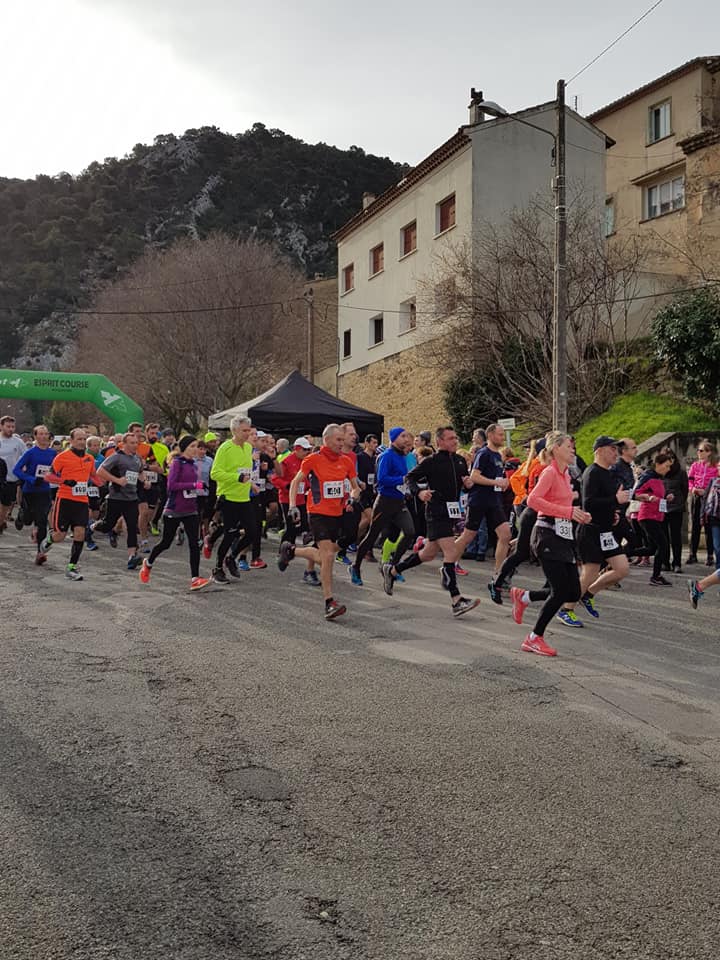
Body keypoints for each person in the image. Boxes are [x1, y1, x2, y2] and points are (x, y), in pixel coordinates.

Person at [382, 426, 480, 618]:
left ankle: (393, 569)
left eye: (455, 438)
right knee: (451, 551)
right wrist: (419, 492)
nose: (454, 441)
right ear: (440, 442)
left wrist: (468, 485)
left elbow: (462, 486)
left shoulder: (460, 461)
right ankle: (456, 600)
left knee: (427, 554)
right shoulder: (431, 461)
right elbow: (410, 478)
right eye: (450, 438)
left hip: (452, 512)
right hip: (436, 511)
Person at [510, 431, 592, 656]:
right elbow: (533, 500)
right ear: (556, 449)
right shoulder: (549, 472)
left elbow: (562, 505)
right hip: (546, 534)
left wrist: (578, 515)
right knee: (559, 591)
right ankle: (534, 638)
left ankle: (524, 597)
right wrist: (567, 511)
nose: (573, 449)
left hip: (563, 536)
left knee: (573, 591)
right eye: (568, 446)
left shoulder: (565, 475)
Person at [278, 423, 361, 620]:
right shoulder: (313, 459)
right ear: (327, 440)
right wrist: (292, 506)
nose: (342, 444)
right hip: (317, 514)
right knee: (328, 556)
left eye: (343, 439)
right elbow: (297, 482)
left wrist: (352, 497)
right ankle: (329, 602)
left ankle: (291, 550)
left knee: (328, 554)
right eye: (339, 440)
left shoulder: (346, 461)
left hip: (337, 515)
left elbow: (356, 487)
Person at [139, 436, 209, 590]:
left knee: (194, 543)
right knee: (166, 543)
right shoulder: (178, 463)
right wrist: (194, 484)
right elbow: (171, 485)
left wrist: (200, 487)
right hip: (174, 508)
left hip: (191, 509)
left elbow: (193, 486)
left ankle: (195, 578)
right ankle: (148, 562)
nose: (196, 449)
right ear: (184, 448)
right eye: (193, 446)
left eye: (197, 446)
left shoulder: (194, 464)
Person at [574, 436, 631, 621]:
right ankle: (566, 609)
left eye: (617, 449)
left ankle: (589, 594)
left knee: (622, 569)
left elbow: (603, 502)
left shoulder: (607, 473)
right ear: (598, 451)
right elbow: (588, 503)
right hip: (590, 531)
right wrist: (615, 500)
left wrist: (612, 512)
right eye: (612, 449)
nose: (616, 453)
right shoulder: (592, 472)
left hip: (605, 531)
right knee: (589, 572)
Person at [351, 427, 415, 586]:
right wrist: (403, 479)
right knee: (372, 536)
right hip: (385, 502)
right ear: (393, 439)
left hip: (399, 502)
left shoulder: (403, 456)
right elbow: (382, 479)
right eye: (402, 436)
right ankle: (356, 567)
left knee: (409, 532)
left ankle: (392, 567)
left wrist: (406, 488)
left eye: (407, 436)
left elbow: (403, 479)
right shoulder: (386, 456)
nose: (406, 439)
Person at [40, 428, 100, 580]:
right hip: (65, 500)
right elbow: (48, 476)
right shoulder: (62, 457)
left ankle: (71, 567)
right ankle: (49, 539)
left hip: (81, 502)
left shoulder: (89, 459)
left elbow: (93, 476)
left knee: (80, 534)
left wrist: (104, 483)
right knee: (60, 536)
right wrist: (64, 481)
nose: (81, 442)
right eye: (78, 439)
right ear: (71, 441)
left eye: (83, 439)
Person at [209, 415, 257, 584]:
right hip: (228, 498)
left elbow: (245, 472)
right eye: (244, 430)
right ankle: (217, 569)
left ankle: (232, 557)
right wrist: (236, 478)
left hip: (244, 498)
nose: (247, 433)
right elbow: (215, 473)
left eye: (248, 430)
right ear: (234, 430)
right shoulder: (225, 448)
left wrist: (251, 485)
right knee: (229, 535)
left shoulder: (248, 448)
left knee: (253, 532)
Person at [92, 432, 144, 570]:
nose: (135, 445)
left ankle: (132, 557)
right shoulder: (116, 457)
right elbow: (100, 472)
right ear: (124, 444)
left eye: (136, 443)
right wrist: (117, 480)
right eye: (132, 443)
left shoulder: (137, 458)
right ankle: (92, 527)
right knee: (107, 525)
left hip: (131, 498)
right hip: (116, 497)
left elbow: (140, 471)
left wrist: (143, 480)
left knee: (132, 527)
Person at [13, 424, 57, 563]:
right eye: (41, 434)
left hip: (44, 491)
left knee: (42, 521)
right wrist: (32, 479)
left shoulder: (53, 453)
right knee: (28, 520)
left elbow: (57, 470)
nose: (44, 437)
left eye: (46, 434)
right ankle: (21, 517)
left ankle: (40, 553)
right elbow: (17, 470)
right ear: (35, 437)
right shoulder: (30, 452)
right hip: (30, 491)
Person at [633, 453, 675, 586]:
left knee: (651, 548)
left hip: (657, 516)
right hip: (647, 516)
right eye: (667, 466)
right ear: (658, 464)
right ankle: (656, 576)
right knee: (662, 545)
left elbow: (657, 494)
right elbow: (635, 492)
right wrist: (648, 497)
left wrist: (667, 496)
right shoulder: (647, 476)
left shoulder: (659, 477)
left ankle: (620, 554)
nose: (668, 469)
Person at [687, 440, 718, 565]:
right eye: (698, 450)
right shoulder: (695, 465)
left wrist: (706, 491)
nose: (698, 453)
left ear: (709, 452)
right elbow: (689, 481)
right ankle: (692, 554)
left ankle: (710, 555)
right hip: (696, 498)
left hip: (710, 499)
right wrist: (693, 489)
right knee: (695, 525)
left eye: (701, 450)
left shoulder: (715, 466)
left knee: (709, 526)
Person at [0, 415, 27, 533]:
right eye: (8, 426)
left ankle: (1, 521)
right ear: (1, 426)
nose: (11, 429)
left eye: (12, 427)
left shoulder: (18, 442)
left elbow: (26, 456)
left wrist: (24, 469)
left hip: (11, 478)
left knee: (5, 505)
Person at [663, 452, 688, 573]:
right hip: (662, 508)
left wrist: (679, 501)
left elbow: (685, 490)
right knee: (664, 537)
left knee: (675, 536)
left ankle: (677, 563)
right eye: (667, 458)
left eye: (672, 458)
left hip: (676, 508)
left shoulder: (681, 473)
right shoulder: (660, 473)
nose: (670, 461)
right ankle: (665, 562)